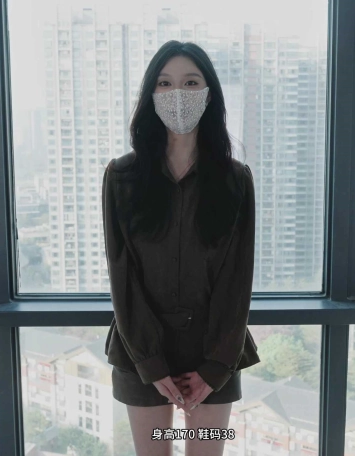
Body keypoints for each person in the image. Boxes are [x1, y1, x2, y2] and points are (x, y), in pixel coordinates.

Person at [101, 40, 261, 456]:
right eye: (165, 83)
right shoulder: (122, 177)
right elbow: (122, 275)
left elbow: (237, 279)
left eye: (190, 83)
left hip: (213, 355)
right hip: (141, 354)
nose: (177, 94)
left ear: (209, 95)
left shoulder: (235, 180)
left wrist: (215, 367)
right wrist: (151, 363)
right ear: (150, 95)